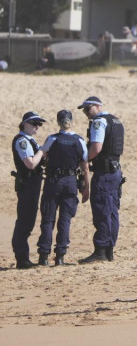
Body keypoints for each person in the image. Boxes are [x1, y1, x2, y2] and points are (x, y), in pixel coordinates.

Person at [36, 110, 90, 266]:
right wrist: (87, 188)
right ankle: (60, 257)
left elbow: (43, 156)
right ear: (71, 121)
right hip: (70, 182)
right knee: (65, 219)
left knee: (48, 219)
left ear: (58, 122)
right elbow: (85, 167)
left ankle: (44, 256)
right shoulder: (79, 140)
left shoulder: (52, 139)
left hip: (53, 182)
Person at [77, 96, 125, 264]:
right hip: (115, 172)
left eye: (87, 109)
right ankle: (109, 250)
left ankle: (101, 251)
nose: (85, 113)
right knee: (112, 212)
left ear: (98, 106)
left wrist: (83, 160)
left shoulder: (99, 122)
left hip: (104, 174)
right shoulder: (116, 121)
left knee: (102, 211)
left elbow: (96, 147)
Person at [11, 111, 46, 269]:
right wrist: (42, 151)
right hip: (27, 184)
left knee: (29, 219)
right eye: (34, 123)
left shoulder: (30, 141)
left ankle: (23, 257)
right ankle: (22, 258)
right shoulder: (22, 141)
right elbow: (30, 164)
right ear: (24, 123)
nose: (37, 127)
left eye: (39, 124)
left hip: (33, 184)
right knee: (25, 220)